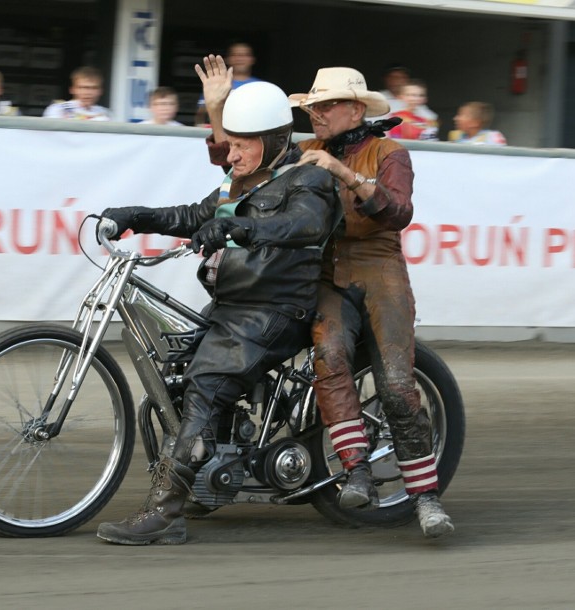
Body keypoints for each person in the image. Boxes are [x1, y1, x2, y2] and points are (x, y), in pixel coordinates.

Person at [201, 59, 454, 539]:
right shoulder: (304, 151)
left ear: (354, 110)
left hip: (380, 272)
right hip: (327, 275)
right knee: (330, 358)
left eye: (323, 105)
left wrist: (340, 170)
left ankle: (426, 499)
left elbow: (397, 212)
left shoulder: (390, 153)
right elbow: (242, 160)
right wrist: (218, 111)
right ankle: (354, 472)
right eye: (311, 105)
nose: (314, 112)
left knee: (398, 385)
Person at [95, 80, 338, 545]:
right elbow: (194, 215)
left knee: (206, 384)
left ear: (275, 141)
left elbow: (303, 224)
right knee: (177, 373)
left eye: (243, 144)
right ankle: (206, 476)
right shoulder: (243, 177)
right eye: (232, 143)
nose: (231, 154)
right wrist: (136, 216)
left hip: (274, 309)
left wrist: (239, 227)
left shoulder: (309, 177)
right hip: (231, 305)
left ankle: (166, 514)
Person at [194, 41, 259, 126]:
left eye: (245, 55)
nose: (239, 59)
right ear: (227, 59)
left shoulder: (263, 87)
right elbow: (201, 117)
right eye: (234, 55)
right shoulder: (216, 83)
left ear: (252, 59)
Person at [42, 66, 109, 121]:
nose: (88, 92)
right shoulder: (59, 109)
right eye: (83, 87)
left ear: (101, 91)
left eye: (94, 88)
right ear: (72, 90)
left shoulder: (106, 113)